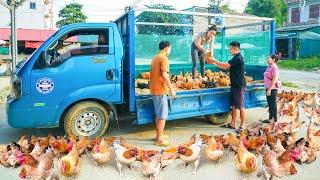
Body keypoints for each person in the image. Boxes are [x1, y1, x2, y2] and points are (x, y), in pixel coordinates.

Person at [207, 41, 246, 131]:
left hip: (239, 85)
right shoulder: (235, 58)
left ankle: (243, 124)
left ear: (236, 48)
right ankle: (233, 123)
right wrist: (215, 63)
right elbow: (225, 67)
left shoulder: (238, 58)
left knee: (240, 106)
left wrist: (213, 60)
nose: (229, 50)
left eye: (230, 48)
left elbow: (225, 65)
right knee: (233, 105)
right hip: (234, 85)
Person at [150, 40, 176, 146]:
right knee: (162, 116)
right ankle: (159, 139)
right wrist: (171, 89)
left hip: (154, 89)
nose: (170, 50)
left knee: (158, 114)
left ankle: (158, 135)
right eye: (170, 48)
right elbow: (165, 75)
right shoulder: (164, 58)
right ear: (166, 48)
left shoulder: (155, 57)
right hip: (160, 90)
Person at [263, 54, 280, 123]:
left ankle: (274, 120)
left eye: (268, 58)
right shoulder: (269, 67)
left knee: (273, 104)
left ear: (273, 60)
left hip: (272, 88)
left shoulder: (274, 68)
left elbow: (274, 79)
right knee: (270, 104)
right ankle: (270, 119)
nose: (267, 59)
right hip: (268, 87)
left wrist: (270, 89)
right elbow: (266, 77)